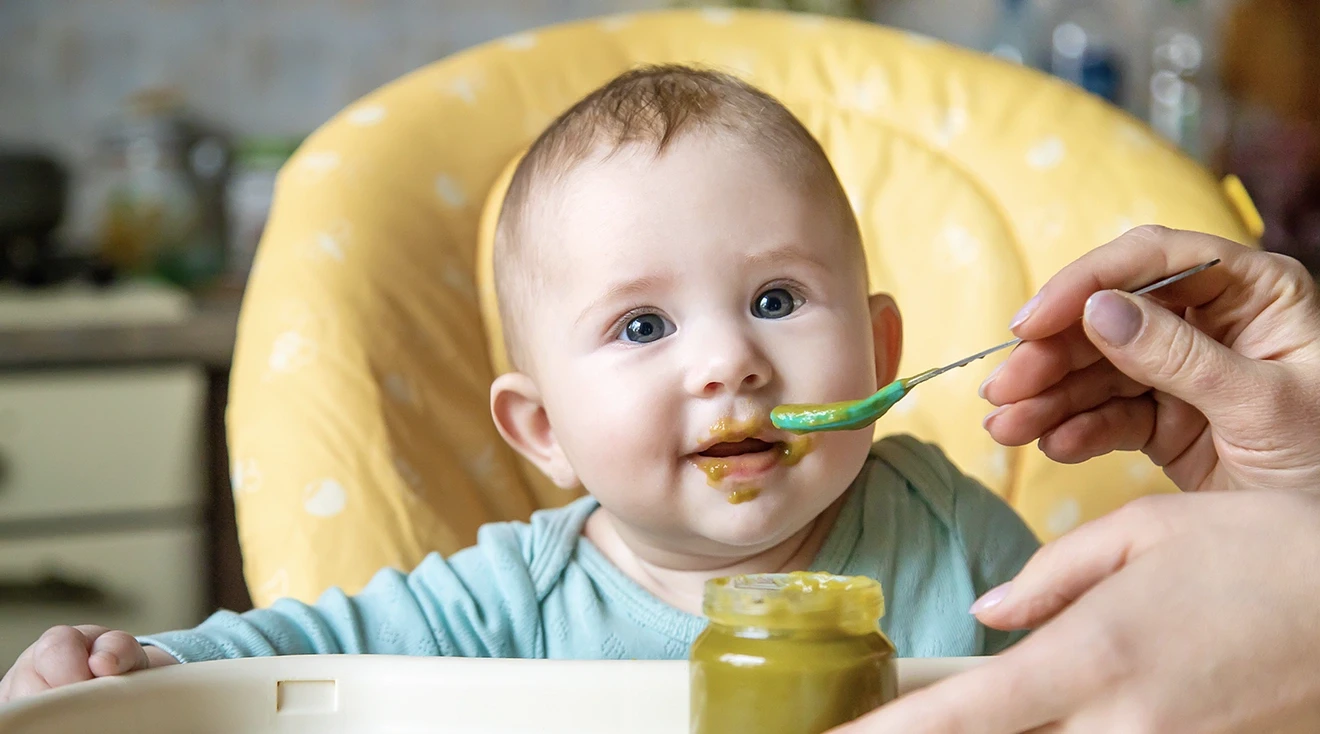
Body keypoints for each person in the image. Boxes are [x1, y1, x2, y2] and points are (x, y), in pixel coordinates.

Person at [0, 66, 1040, 703]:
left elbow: (1128, 674)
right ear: (541, 427)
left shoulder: (958, 536)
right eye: (644, 325)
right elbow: (297, 653)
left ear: (881, 350)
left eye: (776, 298)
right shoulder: (509, 601)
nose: (729, 362)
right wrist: (134, 665)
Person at [835, 227, 1320, 733]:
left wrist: (1300, 515)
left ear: (878, 347)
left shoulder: (952, 520)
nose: (742, 365)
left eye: (776, 302)